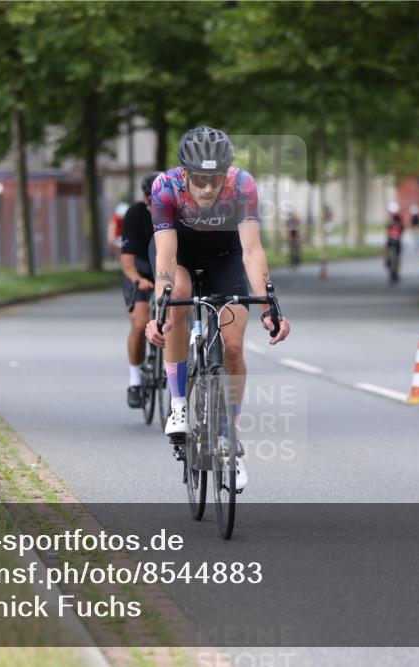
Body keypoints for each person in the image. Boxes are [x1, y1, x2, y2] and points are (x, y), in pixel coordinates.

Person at [145, 126, 291, 491]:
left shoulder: (242, 186)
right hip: (178, 254)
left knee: (235, 346)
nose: (209, 188)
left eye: (215, 179)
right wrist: (160, 312)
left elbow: (253, 250)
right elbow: (165, 254)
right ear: (185, 173)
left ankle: (229, 440)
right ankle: (179, 403)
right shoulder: (165, 187)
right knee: (177, 294)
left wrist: (269, 306)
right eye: (200, 180)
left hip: (226, 257)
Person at [120, 172, 161, 409]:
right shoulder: (135, 215)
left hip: (168, 272)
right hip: (140, 273)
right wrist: (139, 280)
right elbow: (126, 261)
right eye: (150, 197)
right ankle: (135, 381)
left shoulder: (177, 211)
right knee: (139, 323)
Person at [385, 202, 405, 282]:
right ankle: (387, 262)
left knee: (398, 255)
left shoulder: (396, 218)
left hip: (395, 240)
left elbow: (402, 228)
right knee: (395, 254)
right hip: (393, 240)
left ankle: (396, 271)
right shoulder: (393, 218)